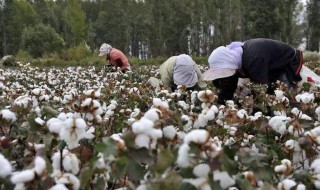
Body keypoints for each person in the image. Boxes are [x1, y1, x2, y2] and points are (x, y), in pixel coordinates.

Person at [203, 38, 304, 105]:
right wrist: (222, 102)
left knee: (285, 100)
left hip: (286, 63)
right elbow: (228, 83)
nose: (224, 75)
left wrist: (256, 111)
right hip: (267, 65)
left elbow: (261, 91)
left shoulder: (254, 59)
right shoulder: (235, 59)